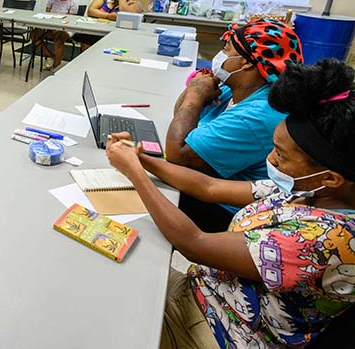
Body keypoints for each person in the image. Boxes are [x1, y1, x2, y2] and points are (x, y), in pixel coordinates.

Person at [106, 58, 355, 348]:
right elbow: (209, 187)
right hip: (204, 292)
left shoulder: (326, 239)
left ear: (332, 178)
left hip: (217, 330)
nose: (270, 161)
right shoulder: (307, 190)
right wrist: (142, 160)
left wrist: (135, 174)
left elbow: (195, 243)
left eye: (281, 156)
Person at [168, 18, 303, 232]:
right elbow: (181, 117)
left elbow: (178, 154)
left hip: (226, 211)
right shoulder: (237, 87)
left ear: (246, 62)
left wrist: (195, 94)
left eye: (226, 49)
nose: (220, 55)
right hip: (206, 184)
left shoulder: (256, 114)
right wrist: (196, 88)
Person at [29, 0, 79, 71]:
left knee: (59, 37)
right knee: (34, 34)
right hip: (50, 26)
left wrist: (57, 27)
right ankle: (49, 56)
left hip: (65, 28)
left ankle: (56, 64)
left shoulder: (73, 2)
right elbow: (47, 15)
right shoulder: (52, 0)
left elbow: (70, 21)